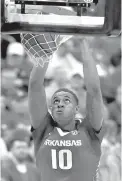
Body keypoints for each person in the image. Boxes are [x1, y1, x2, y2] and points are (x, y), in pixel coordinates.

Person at [27, 37, 105, 181]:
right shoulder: (44, 128)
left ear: (77, 109)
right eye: (56, 101)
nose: (60, 103)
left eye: (66, 100)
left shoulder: (88, 128)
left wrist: (83, 41)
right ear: (50, 108)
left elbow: (94, 90)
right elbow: (35, 85)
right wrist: (48, 46)